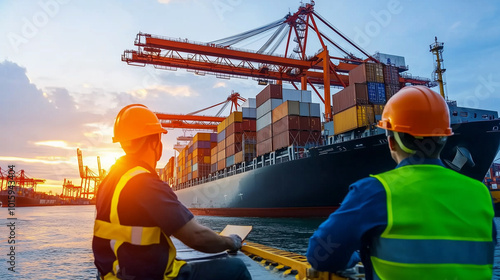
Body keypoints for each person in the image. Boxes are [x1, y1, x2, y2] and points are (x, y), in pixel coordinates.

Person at [306, 86, 496, 279]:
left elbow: (319, 255)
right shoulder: (480, 193)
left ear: (391, 142)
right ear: (444, 139)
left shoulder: (375, 191)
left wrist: (354, 257)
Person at [92, 104, 252, 280]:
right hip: (152, 277)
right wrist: (231, 241)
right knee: (236, 268)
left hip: (111, 276)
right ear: (153, 142)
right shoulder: (145, 183)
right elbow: (196, 237)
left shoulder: (109, 181)